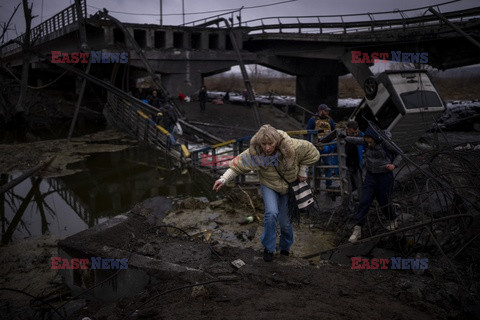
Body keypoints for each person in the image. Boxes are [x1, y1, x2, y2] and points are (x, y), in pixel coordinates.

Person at [212, 124, 320, 262]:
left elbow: (313, 152)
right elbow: (238, 164)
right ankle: (269, 248)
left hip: (288, 187)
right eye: (264, 144)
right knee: (271, 213)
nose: (267, 147)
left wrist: (303, 170)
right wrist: (223, 179)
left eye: (270, 144)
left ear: (277, 141)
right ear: (259, 143)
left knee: (285, 223)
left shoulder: (294, 146)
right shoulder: (255, 152)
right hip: (269, 185)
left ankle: (285, 248)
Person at [343, 126, 402, 243]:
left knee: (384, 201)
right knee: (364, 201)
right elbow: (355, 140)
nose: (368, 144)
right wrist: (344, 137)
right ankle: (357, 229)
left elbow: (400, 154)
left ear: (375, 138)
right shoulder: (365, 141)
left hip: (384, 176)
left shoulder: (386, 143)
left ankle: (392, 219)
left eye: (370, 142)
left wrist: (394, 165)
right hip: (371, 176)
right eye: (367, 142)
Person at [306, 104, 337, 190]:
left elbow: (334, 132)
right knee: (316, 167)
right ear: (320, 111)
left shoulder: (330, 120)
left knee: (328, 166)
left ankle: (329, 185)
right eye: (326, 111)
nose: (327, 112)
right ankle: (316, 186)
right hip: (316, 146)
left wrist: (332, 145)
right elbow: (308, 133)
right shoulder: (313, 120)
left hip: (326, 146)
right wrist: (310, 146)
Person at [345, 121, 364, 213]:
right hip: (346, 166)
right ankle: (350, 209)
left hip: (357, 166)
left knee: (360, 186)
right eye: (352, 133)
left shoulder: (361, 135)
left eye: (356, 132)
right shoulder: (342, 137)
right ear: (347, 130)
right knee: (348, 189)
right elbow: (332, 146)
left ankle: (362, 206)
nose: (355, 135)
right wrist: (323, 149)